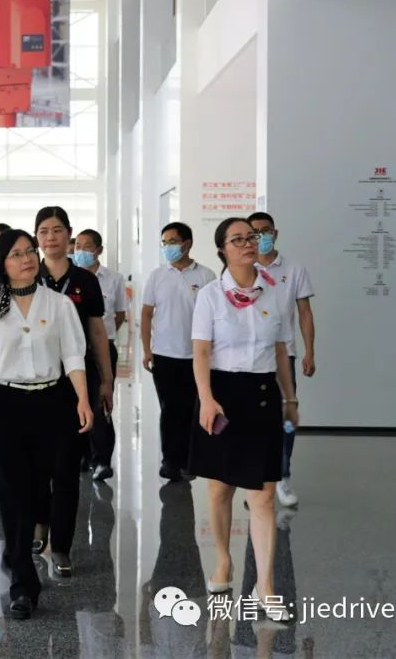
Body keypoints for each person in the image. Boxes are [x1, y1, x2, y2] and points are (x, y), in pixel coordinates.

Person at [0, 229, 92, 619]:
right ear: (1, 264)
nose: (27, 259)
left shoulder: (59, 304)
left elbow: (73, 355)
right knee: (12, 491)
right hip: (5, 404)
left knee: (41, 487)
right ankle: (23, 584)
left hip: (52, 401)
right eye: (16, 254)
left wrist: (83, 399)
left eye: (29, 252)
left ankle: (21, 547)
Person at [187, 218, 298, 624]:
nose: (248, 243)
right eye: (238, 239)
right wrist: (206, 399)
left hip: (263, 396)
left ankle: (265, 585)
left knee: (263, 496)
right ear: (222, 250)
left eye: (252, 237)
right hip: (222, 397)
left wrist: (290, 398)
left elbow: (282, 350)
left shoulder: (275, 290)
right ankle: (223, 560)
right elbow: (201, 352)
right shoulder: (211, 296)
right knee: (220, 489)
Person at [33, 207, 112, 577]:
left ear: (69, 234)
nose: (51, 238)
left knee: (67, 466)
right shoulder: (27, 275)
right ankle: (39, 523)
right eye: (44, 231)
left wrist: (106, 380)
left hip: (76, 380)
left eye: (57, 230)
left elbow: (97, 331)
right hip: (34, 381)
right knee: (36, 463)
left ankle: (62, 546)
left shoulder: (85, 280)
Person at [141, 222, 217, 481]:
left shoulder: (206, 276)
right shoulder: (157, 276)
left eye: (172, 242)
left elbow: (214, 317)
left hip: (195, 356)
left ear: (187, 243)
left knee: (192, 409)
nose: (167, 247)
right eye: (164, 242)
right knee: (170, 409)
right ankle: (170, 460)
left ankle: (189, 460)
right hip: (164, 354)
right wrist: (146, 349)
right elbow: (146, 314)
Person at [249, 211, 315, 509]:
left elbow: (305, 313)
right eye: (254, 232)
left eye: (265, 231)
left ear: (275, 233)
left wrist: (309, 350)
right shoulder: (242, 269)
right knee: (255, 420)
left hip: (283, 355)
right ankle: (257, 479)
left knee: (286, 417)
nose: (260, 236)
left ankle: (283, 475)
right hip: (250, 357)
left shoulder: (294, 269)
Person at [73, 229, 128, 482]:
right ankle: (83, 455)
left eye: (87, 246)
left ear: (99, 250)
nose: (81, 251)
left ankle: (102, 460)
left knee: (100, 403)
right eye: (78, 246)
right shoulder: (71, 278)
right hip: (75, 352)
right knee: (76, 403)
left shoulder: (114, 279)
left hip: (103, 349)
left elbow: (119, 314)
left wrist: (101, 340)